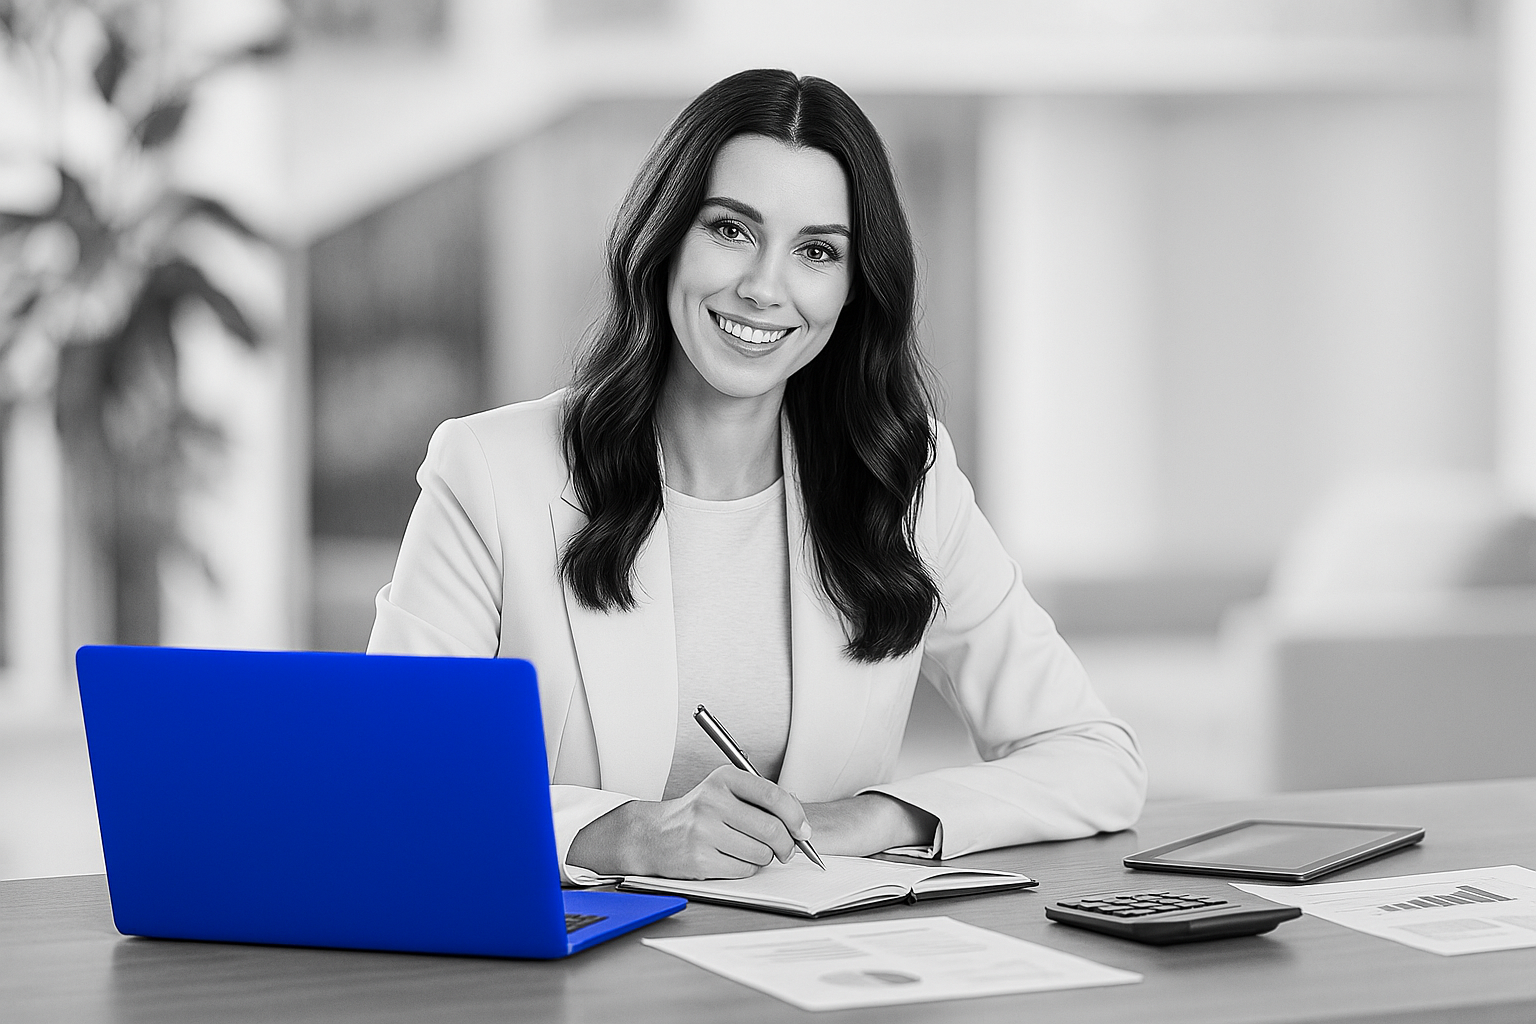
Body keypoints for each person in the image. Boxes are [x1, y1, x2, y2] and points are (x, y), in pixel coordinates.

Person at [368, 69, 1146, 883]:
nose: (765, 287)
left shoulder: (901, 479)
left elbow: (1094, 758)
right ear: (665, 238)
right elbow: (388, 779)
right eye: (732, 230)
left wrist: (875, 817)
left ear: (851, 289)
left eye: (816, 251)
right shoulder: (490, 472)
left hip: (815, 979)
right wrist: (622, 835)